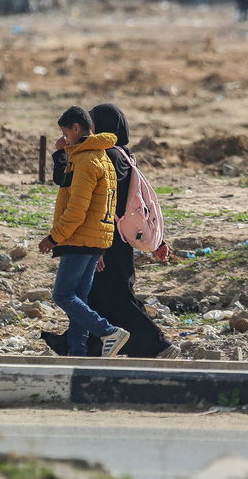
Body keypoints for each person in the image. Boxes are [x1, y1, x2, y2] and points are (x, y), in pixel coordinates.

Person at [55, 103, 174, 358]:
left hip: (107, 239)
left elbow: (98, 200)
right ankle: (83, 350)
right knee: (101, 296)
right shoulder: (123, 155)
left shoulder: (107, 156)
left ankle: (157, 345)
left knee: (116, 298)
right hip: (113, 238)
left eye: (94, 123)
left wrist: (99, 248)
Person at [38, 106, 130, 358]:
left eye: (66, 133)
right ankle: (77, 352)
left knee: (63, 295)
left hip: (78, 238)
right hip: (95, 239)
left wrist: (53, 238)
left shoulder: (86, 161)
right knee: (79, 296)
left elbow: (77, 210)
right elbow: (69, 183)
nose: (64, 138)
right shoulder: (100, 156)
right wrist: (62, 152)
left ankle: (108, 331)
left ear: (76, 129)